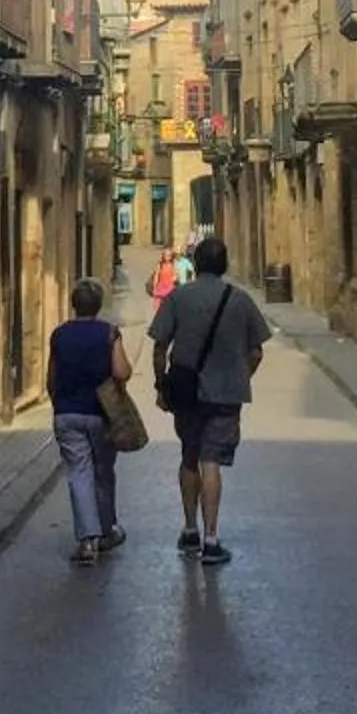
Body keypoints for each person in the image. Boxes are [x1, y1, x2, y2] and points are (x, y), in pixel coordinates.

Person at [149, 233, 270, 567]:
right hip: (224, 396)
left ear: (196, 263)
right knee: (211, 461)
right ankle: (212, 539)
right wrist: (239, 377)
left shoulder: (178, 298)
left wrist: (161, 385)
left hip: (186, 393)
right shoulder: (241, 300)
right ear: (225, 265)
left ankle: (190, 530)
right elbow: (257, 350)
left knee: (190, 456)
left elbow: (159, 346)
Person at [49, 277, 133, 567]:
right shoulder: (109, 333)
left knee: (78, 474)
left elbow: (51, 378)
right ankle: (107, 531)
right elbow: (121, 372)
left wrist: (58, 403)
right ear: (98, 306)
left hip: (67, 413)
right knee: (102, 472)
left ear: (74, 305)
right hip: (101, 414)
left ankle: (87, 541)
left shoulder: (59, 335)